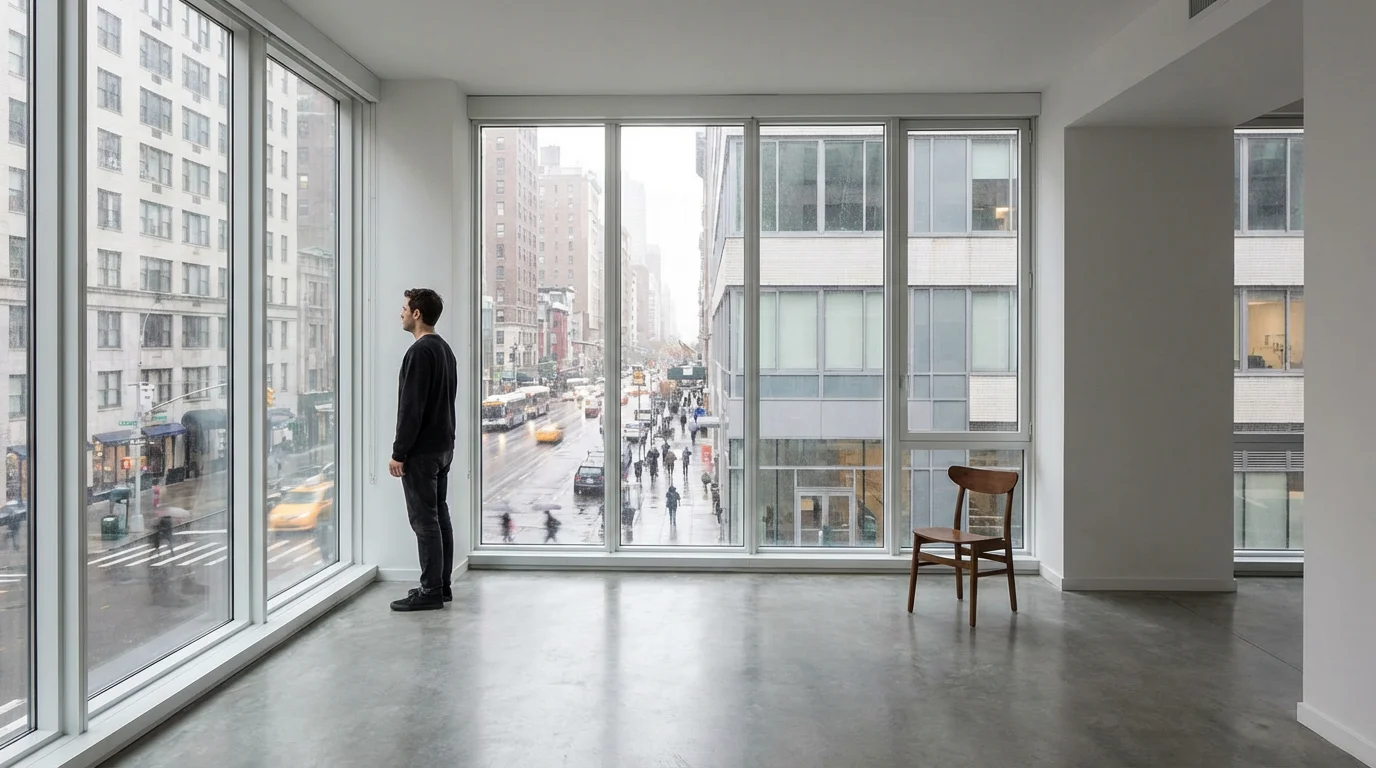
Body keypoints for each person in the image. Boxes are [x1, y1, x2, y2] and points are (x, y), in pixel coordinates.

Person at [388, 288, 458, 613]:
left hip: (422, 451)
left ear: (417, 314)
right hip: (443, 447)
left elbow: (411, 409)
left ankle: (430, 591)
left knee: (424, 521)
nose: (401, 313)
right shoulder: (445, 350)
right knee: (440, 516)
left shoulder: (419, 352)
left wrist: (399, 452)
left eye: (405, 308)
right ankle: (441, 586)